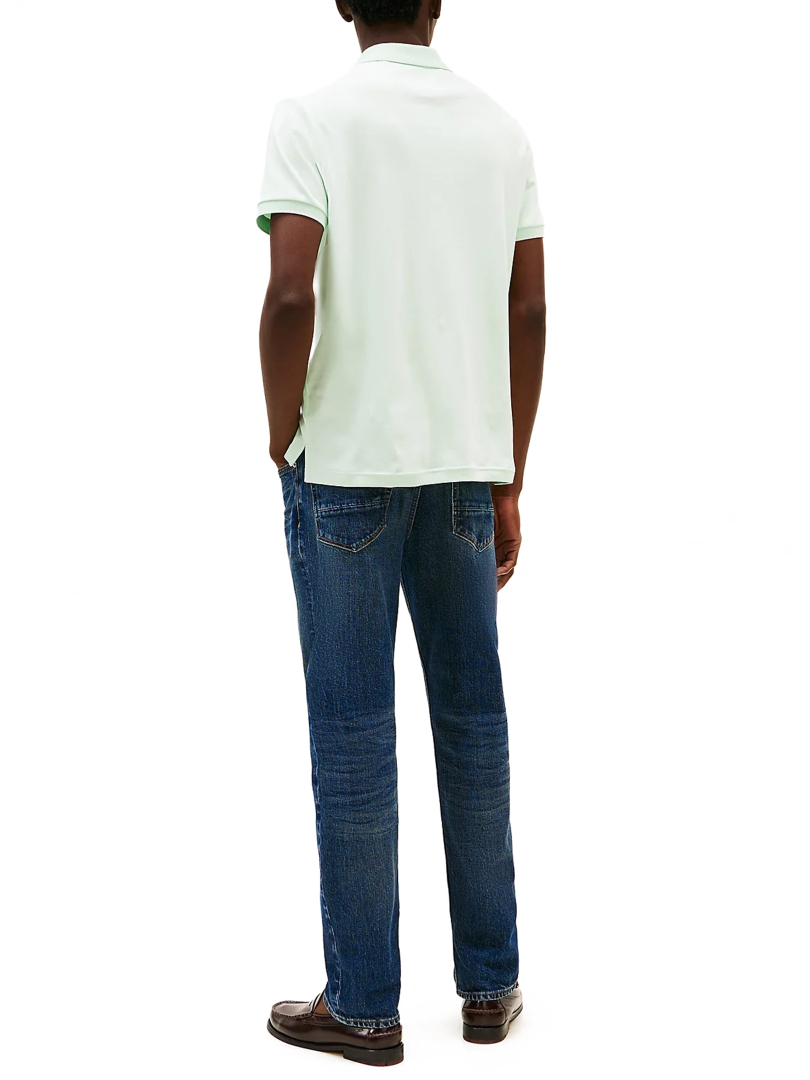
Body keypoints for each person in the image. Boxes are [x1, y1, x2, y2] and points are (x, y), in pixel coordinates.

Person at [255, 0, 546, 1066]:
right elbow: (529, 313)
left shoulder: (311, 120)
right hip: (465, 467)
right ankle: (490, 987)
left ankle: (366, 1007)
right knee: (474, 724)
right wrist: (509, 476)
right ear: (438, 4)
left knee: (353, 734)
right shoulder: (500, 131)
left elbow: (291, 297)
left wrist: (281, 431)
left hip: (345, 470)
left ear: (343, 2)